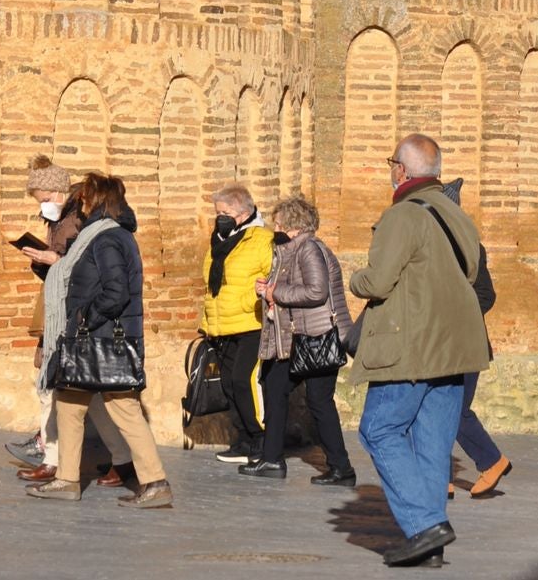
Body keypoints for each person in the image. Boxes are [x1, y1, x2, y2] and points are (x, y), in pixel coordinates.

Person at [350, 133, 490, 568]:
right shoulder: (459, 215)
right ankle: (431, 543)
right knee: (433, 443)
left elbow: (378, 281)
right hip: (457, 348)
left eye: (392, 162)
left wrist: (354, 278)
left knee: (379, 429)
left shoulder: (402, 216)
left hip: (411, 346)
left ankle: (424, 524)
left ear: (402, 170)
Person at [26, 172, 172, 507]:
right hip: (87, 340)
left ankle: (155, 482)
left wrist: (82, 319)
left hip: (102, 340)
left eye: (86, 197)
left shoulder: (108, 238)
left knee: (124, 409)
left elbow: (115, 292)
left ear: (99, 201)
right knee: (69, 405)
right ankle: (67, 479)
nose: (80, 203)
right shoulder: (94, 235)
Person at [9, 158, 134, 487]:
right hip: (60, 312)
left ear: (57, 191)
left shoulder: (81, 221)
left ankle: (62, 462)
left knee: (70, 392)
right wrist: (43, 262)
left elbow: (87, 270)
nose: (42, 206)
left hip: (73, 315)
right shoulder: (61, 219)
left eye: (44, 198)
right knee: (79, 395)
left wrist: (55, 261)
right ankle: (116, 461)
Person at [239, 194, 355, 485]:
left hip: (317, 337)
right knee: (273, 384)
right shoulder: (290, 250)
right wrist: (267, 287)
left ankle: (341, 468)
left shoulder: (309, 249)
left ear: (291, 225)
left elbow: (316, 292)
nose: (274, 228)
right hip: (295, 339)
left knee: (319, 401)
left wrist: (274, 293)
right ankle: (272, 458)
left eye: (278, 222)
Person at [441, 178, 510, 500]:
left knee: (452, 410)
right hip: (443, 343)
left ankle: (491, 460)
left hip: (460, 343)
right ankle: (443, 477)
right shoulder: (432, 247)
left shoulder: (469, 248)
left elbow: (487, 295)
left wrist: (458, 315)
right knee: (437, 408)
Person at [200, 183, 273, 464]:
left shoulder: (261, 240)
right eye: (217, 212)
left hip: (251, 322)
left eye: (225, 212)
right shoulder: (219, 241)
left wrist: (248, 299)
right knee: (229, 384)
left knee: (245, 381)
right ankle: (242, 438)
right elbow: (212, 284)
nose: (220, 217)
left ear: (243, 213)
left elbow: (272, 277)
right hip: (222, 325)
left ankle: (260, 438)